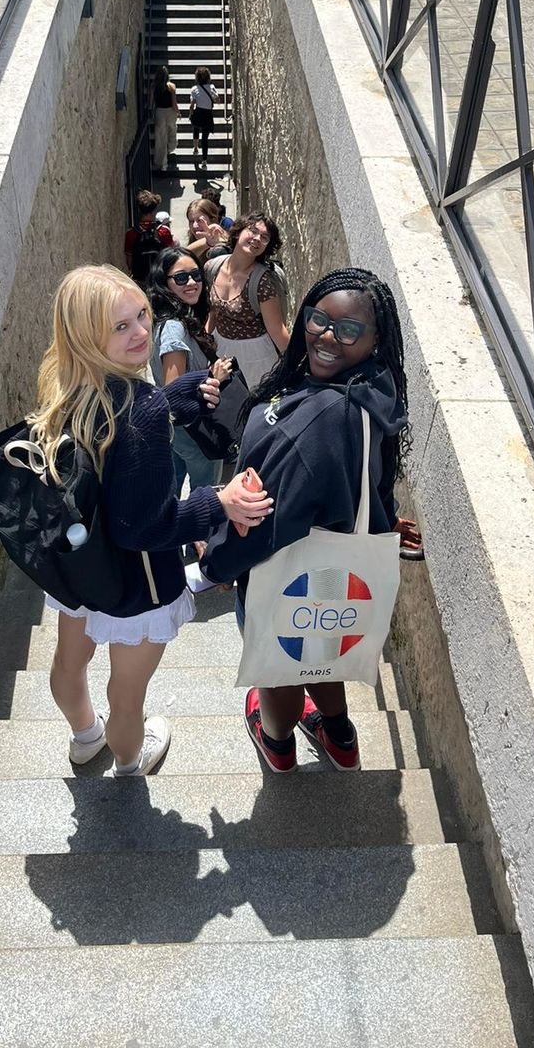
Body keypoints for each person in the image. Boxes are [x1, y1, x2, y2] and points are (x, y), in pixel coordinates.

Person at [28, 264, 272, 776]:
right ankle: (129, 761)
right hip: (135, 583)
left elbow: (114, 442)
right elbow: (147, 527)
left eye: (141, 314)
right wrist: (217, 502)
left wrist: (171, 400)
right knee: (128, 697)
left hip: (82, 563)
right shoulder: (137, 414)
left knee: (68, 664)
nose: (142, 331)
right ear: (88, 335)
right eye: (121, 327)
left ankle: (84, 738)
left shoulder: (67, 386)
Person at [201, 268, 411, 773]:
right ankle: (339, 738)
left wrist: (217, 560)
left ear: (375, 339)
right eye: (318, 319)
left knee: (279, 670)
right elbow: (369, 476)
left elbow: (270, 523)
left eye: (348, 330)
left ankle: (277, 743)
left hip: (282, 568)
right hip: (336, 568)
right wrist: (386, 521)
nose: (325, 336)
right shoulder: (371, 390)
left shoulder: (316, 421)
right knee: (322, 645)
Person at [148, 247, 233, 494]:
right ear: (164, 283)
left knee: (169, 489)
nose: (192, 283)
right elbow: (174, 392)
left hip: (178, 431)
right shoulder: (174, 327)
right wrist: (214, 378)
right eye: (181, 278)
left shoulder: (174, 318)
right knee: (207, 493)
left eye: (196, 275)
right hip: (193, 431)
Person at [205, 210, 290, 389]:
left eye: (265, 237)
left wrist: (298, 366)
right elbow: (213, 313)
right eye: (252, 230)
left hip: (255, 358)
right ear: (238, 232)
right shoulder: (214, 266)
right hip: (221, 349)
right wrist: (204, 345)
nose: (257, 238)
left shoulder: (262, 282)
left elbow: (277, 330)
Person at [124, 190, 173, 285]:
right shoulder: (163, 231)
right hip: (159, 278)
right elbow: (170, 255)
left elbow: (129, 259)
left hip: (139, 279)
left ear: (138, 209)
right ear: (155, 209)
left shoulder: (131, 233)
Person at [189, 67, 219, 172]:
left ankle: (196, 148)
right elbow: (217, 100)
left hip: (198, 112)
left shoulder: (194, 89)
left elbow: (192, 104)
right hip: (208, 114)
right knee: (205, 138)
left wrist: (190, 113)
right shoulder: (211, 87)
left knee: (196, 129)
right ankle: (204, 160)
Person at [151, 65, 179, 172]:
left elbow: (151, 101)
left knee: (160, 137)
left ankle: (161, 163)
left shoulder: (154, 86)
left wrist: (150, 111)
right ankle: (170, 148)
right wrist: (178, 112)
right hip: (170, 112)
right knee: (172, 131)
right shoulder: (172, 86)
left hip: (159, 112)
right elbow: (174, 103)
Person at [185, 197, 230, 263]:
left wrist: (208, 243)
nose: (194, 226)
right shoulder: (193, 240)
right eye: (191, 221)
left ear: (213, 220)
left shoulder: (221, 248)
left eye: (200, 220)